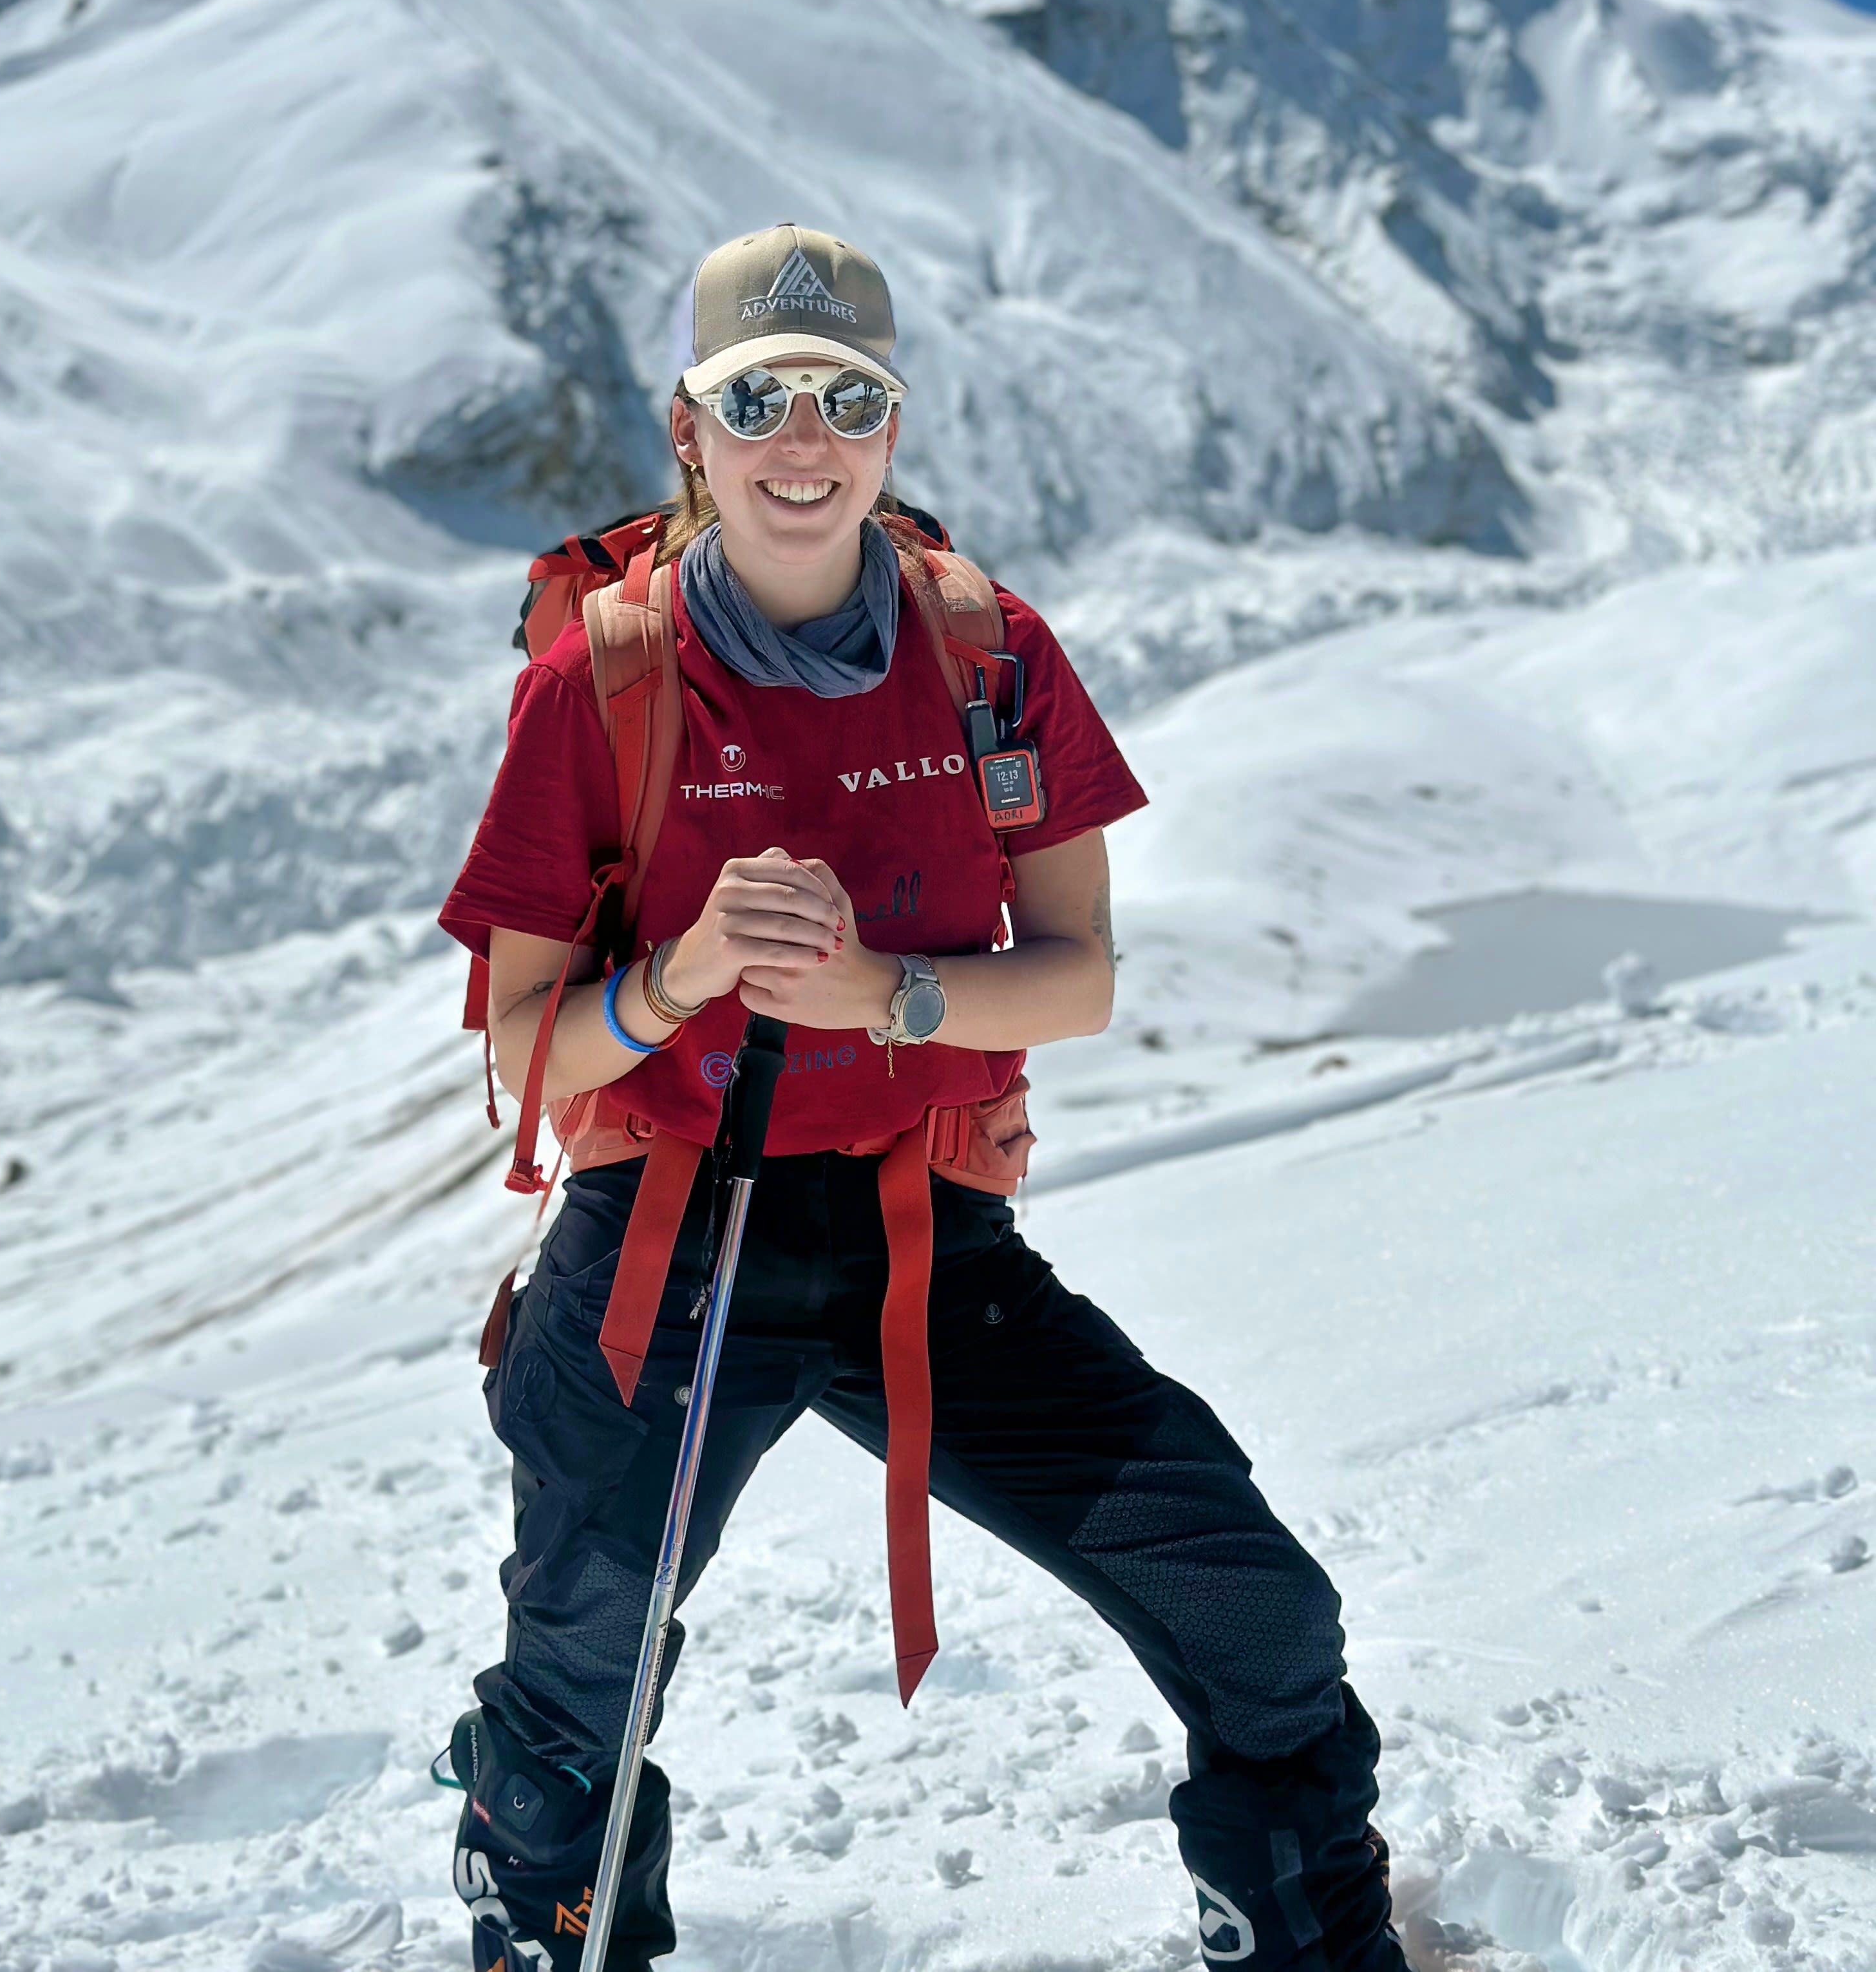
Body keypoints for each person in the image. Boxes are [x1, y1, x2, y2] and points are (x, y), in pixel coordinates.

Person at [438, 225, 1405, 1972]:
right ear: (691, 425)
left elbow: (1084, 971)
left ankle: (1312, 1941)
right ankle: (549, 1922)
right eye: (760, 400)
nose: (802, 441)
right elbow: (527, 1046)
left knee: (1254, 1607)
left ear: (890, 423)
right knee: (582, 1672)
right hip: (666, 1252)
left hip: (925, 1245)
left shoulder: (986, 651)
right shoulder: (607, 678)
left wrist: (896, 995)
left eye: (845, 399)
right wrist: (680, 980)